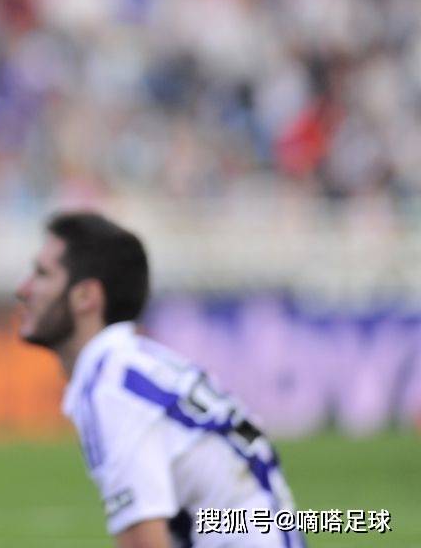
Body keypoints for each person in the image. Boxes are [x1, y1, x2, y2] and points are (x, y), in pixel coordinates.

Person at [15, 212, 303, 548]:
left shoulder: (114, 389)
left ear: (86, 297)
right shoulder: (132, 366)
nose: (23, 290)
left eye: (42, 274)